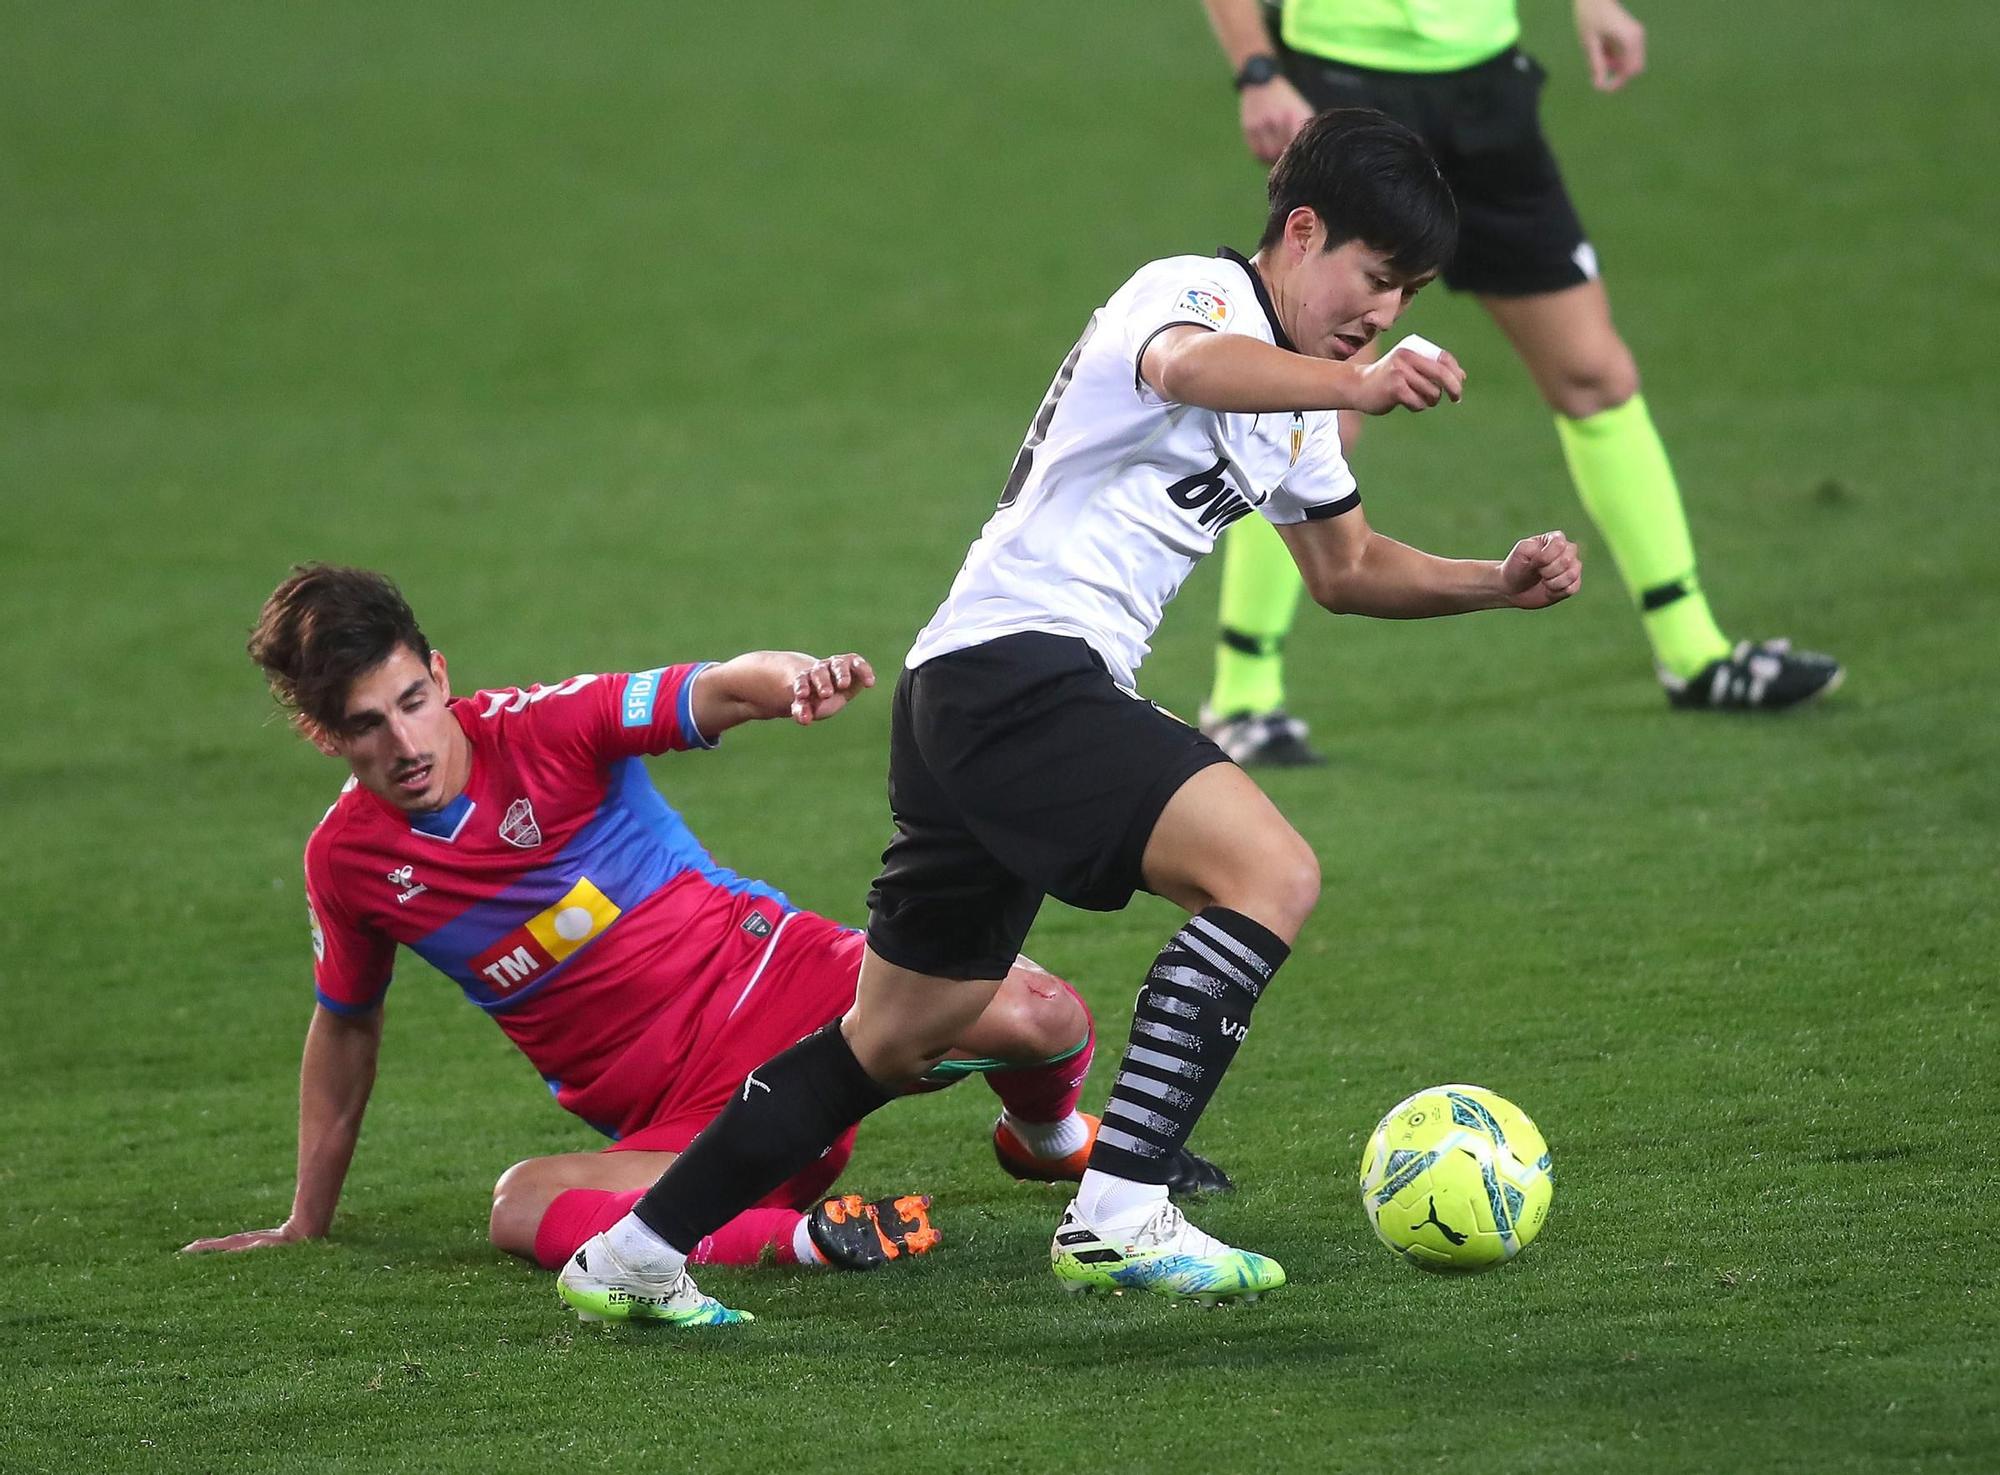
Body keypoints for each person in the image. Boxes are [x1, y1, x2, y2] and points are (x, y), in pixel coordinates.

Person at [556, 109, 1582, 1326]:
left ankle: (630, 1252)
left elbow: (1345, 567)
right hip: (1021, 674)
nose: (1382, 311)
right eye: (1373, 277)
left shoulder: (1300, 403)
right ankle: (1117, 1210)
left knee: (891, 1034)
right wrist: (1354, 382)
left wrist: (1492, 583)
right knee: (1269, 872)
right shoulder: (1193, 292)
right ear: (1300, 233)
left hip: (967, 690)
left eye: (1406, 294)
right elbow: (1182, 370)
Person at [184, 564, 1225, 1289]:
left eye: (414, 699)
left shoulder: (544, 726)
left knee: (1042, 1010)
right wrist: (303, 1218)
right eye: (368, 723)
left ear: (439, 671)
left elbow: (713, 685)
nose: (406, 739)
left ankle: (1044, 1138)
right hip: (690, 1120)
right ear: (325, 733)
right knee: (519, 1203)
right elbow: (345, 1024)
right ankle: (808, 1238)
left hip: (793, 984)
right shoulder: (351, 862)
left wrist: (792, 683)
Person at [1198, 0, 1840, 764]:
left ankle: (1694, 652)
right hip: (1347, 78)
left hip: (1485, 82)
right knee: (1319, 399)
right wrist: (1258, 68)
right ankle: (1243, 694)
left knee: (1593, 371)